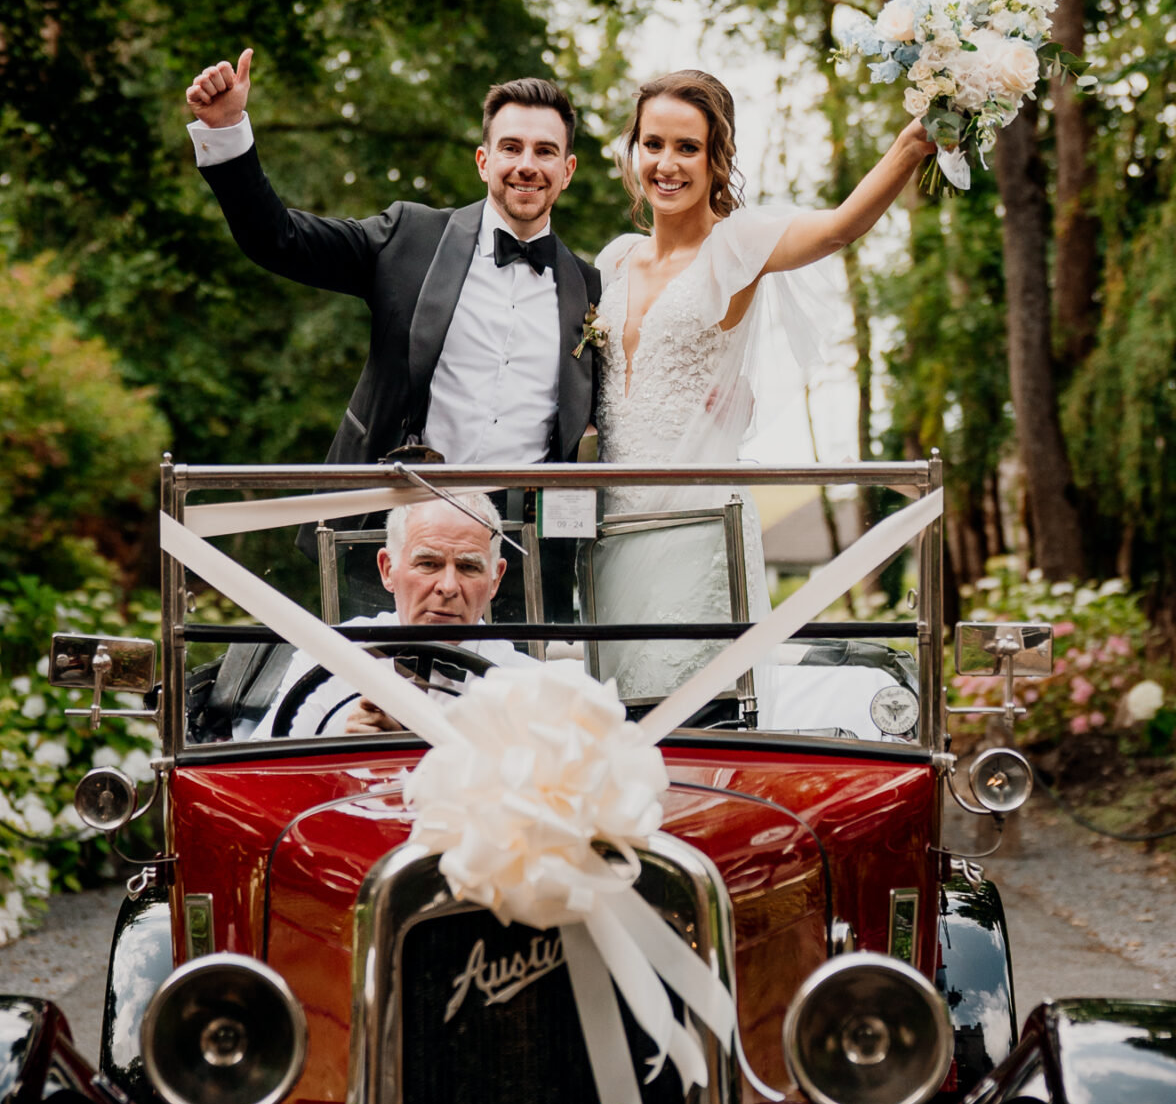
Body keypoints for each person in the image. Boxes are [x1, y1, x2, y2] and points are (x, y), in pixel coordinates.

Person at [590, 69, 929, 707]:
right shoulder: (613, 259)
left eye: (687, 147)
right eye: (653, 143)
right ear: (634, 150)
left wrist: (912, 143)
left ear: (718, 160)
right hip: (611, 527)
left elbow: (838, 228)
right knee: (617, 709)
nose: (666, 163)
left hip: (697, 525)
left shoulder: (734, 246)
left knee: (693, 706)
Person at [183, 54, 601, 469]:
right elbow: (279, 241)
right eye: (511, 148)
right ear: (483, 161)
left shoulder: (593, 291)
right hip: (392, 520)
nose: (527, 166)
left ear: (567, 171)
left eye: (545, 151)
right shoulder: (409, 237)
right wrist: (225, 132)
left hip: (522, 531)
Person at [242, 493, 532, 739]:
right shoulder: (331, 653)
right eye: (428, 563)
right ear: (387, 569)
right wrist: (339, 749)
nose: (447, 587)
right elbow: (255, 775)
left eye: (469, 567)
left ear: (495, 579)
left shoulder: (530, 686)